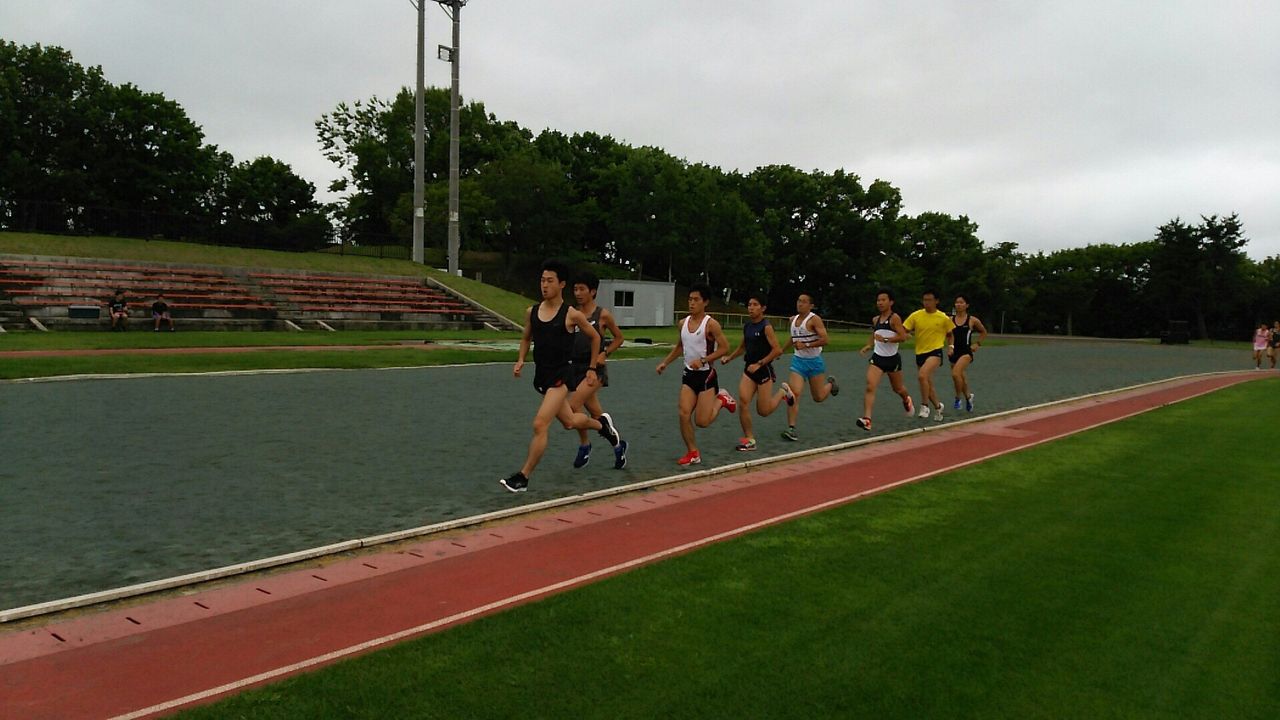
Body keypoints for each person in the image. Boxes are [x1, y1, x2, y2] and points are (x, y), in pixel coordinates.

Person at [501, 260, 624, 493]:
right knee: (570, 422)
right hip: (542, 377)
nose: (544, 285)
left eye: (550, 281)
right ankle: (602, 426)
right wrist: (520, 359)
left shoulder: (571, 314)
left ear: (561, 284)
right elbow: (526, 338)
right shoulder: (532, 312)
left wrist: (592, 367)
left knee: (540, 424)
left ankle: (523, 477)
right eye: (542, 280)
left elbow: (595, 338)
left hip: (561, 378)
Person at [656, 283, 737, 466]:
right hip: (689, 375)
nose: (691, 303)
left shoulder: (711, 325)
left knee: (702, 421)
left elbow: (724, 348)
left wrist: (703, 360)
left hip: (706, 375)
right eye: (690, 299)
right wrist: (665, 363)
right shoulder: (682, 323)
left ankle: (722, 399)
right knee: (683, 413)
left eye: (696, 300)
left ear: (705, 302)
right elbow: (680, 346)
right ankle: (693, 453)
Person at [567, 270, 627, 470]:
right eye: (575, 289)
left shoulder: (602, 315)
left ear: (592, 291)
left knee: (573, 405)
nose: (578, 293)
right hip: (575, 368)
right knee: (596, 415)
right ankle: (618, 445)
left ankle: (585, 444)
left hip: (595, 369)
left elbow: (619, 338)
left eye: (582, 289)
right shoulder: (573, 314)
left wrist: (605, 353)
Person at [720, 294, 794, 451]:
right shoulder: (747, 326)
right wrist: (729, 358)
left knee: (763, 411)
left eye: (755, 305)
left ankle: (783, 392)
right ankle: (749, 439)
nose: (751, 308)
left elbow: (777, 350)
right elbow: (743, 347)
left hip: (763, 371)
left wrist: (760, 363)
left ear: (763, 308)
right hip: (749, 370)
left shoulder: (766, 327)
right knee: (743, 402)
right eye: (749, 304)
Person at [779, 292, 838, 441]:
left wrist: (806, 345)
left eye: (804, 302)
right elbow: (793, 338)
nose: (800, 304)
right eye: (799, 300)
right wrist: (781, 350)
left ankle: (831, 384)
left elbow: (825, 340)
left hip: (814, 362)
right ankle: (791, 428)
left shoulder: (814, 320)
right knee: (795, 393)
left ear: (811, 305)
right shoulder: (793, 320)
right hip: (798, 362)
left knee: (818, 397)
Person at [855, 289, 915, 432]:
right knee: (870, 386)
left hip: (892, 359)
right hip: (877, 359)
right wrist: (869, 345)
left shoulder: (895, 318)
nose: (880, 303)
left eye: (883, 300)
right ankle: (867, 419)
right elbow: (875, 334)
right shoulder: (875, 319)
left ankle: (906, 399)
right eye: (878, 300)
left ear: (891, 302)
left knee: (898, 389)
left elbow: (903, 337)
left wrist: (887, 340)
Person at [902, 290, 954, 422]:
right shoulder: (916, 315)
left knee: (922, 376)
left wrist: (951, 347)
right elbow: (904, 329)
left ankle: (924, 406)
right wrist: (905, 335)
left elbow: (950, 335)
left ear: (936, 301)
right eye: (925, 300)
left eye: (929, 300)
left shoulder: (943, 318)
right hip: (920, 352)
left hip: (935, 351)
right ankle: (938, 406)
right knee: (927, 383)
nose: (927, 303)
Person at [948, 295, 988, 412]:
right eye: (957, 302)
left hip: (966, 352)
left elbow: (983, 332)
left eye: (961, 302)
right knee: (961, 377)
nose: (958, 305)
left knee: (956, 374)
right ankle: (968, 397)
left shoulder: (972, 320)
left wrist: (977, 344)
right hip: (954, 352)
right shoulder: (949, 320)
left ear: (967, 305)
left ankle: (957, 399)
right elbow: (949, 335)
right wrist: (950, 347)